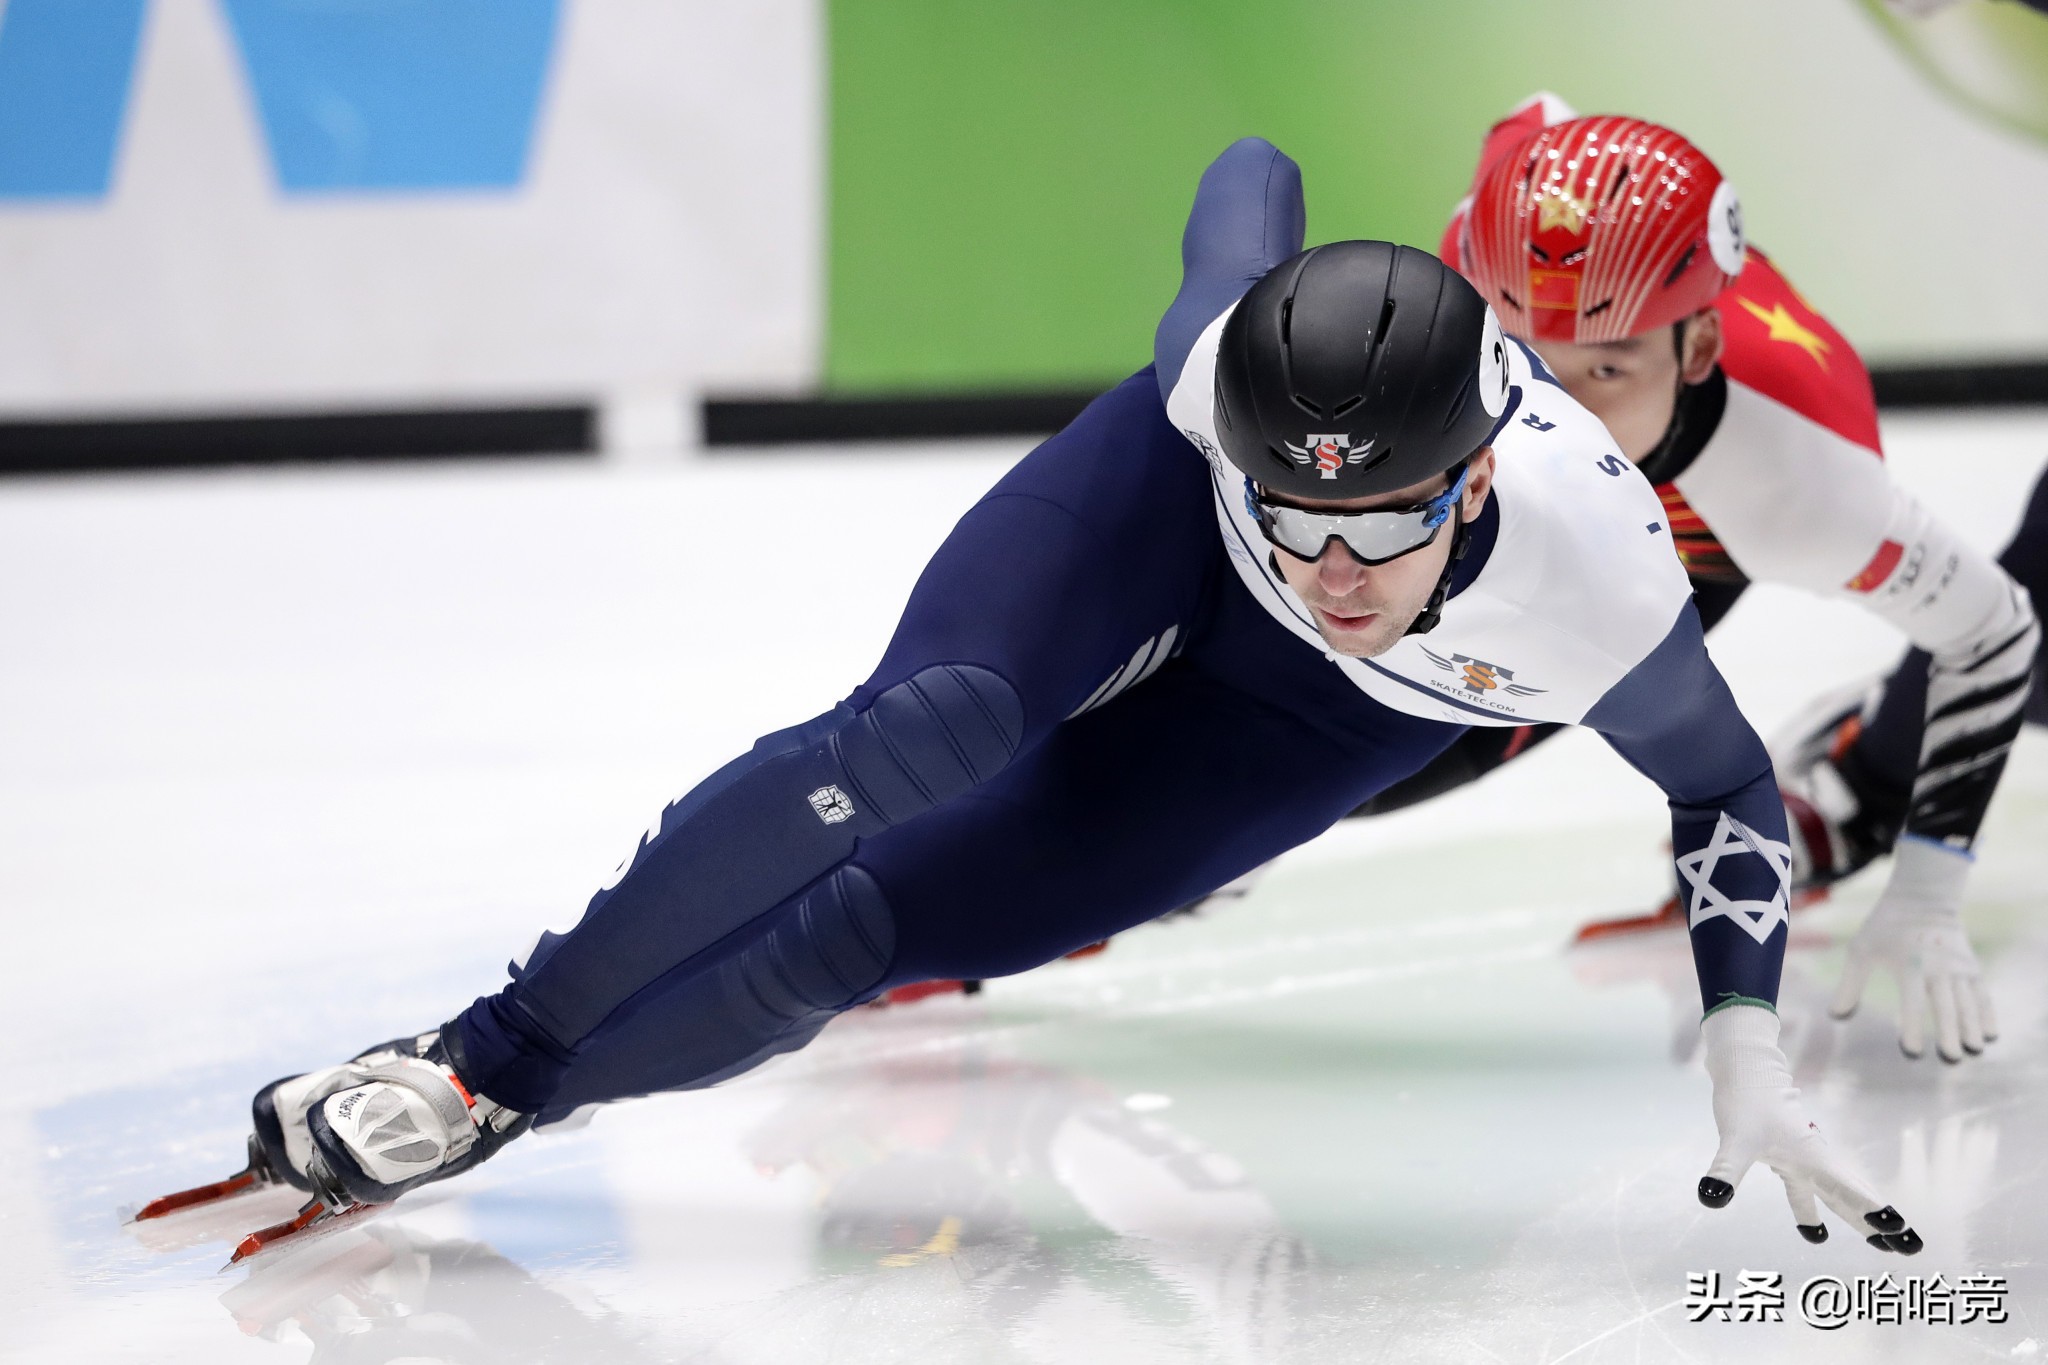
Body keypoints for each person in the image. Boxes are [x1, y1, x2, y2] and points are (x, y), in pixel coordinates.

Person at [183, 140, 1921, 1259]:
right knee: (924, 731)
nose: (1331, 560)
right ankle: (483, 1048)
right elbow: (1249, 169)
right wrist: (1239, 429)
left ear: (1470, 483)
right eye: (1298, 505)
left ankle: (487, 1111)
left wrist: (1747, 1039)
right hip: (1159, 524)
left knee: (853, 939)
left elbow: (1719, 795)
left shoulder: (1597, 578)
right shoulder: (1205, 390)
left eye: (1381, 518)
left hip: (1322, 722)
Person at [1329, 96, 2037, 1069]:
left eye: (1603, 372)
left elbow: (1992, 630)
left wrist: (1928, 883)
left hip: (1693, 525)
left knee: (1369, 768)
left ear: (1695, 350)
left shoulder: (1801, 488)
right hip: (1642, 454)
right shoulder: (1491, 233)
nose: (1551, 417)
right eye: (1521, 357)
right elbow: (1533, 120)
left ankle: (1857, 770)